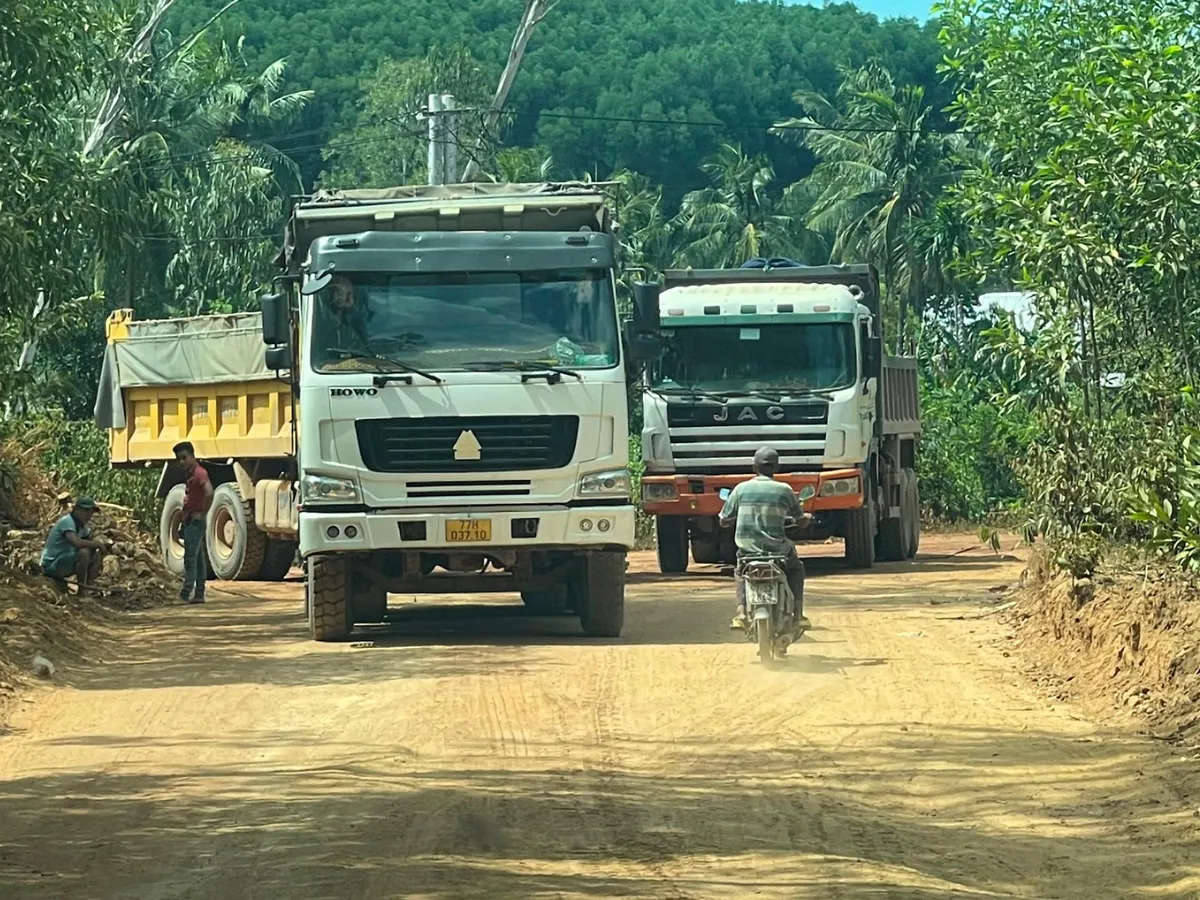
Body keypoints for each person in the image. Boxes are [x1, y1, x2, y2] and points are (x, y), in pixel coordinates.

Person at [719, 446, 812, 633]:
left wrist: (728, 521)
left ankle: (742, 614)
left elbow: (723, 519)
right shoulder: (785, 490)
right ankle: (798, 614)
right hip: (778, 551)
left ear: (754, 467)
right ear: (776, 468)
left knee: (739, 572)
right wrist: (806, 519)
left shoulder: (740, 489)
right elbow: (799, 519)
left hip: (747, 552)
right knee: (796, 568)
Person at [174, 441, 213, 604]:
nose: (182, 462)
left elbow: (209, 492)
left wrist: (202, 513)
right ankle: (199, 594)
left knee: (190, 558)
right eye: (179, 459)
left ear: (192, 456)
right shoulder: (191, 474)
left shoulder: (199, 473)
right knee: (198, 559)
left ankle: (185, 594)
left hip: (195, 521)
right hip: (190, 519)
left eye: (184, 458)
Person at [41, 497, 108, 588]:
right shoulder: (67, 522)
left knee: (94, 553)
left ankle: (89, 585)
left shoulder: (82, 527)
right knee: (83, 553)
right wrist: (98, 544)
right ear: (76, 510)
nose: (88, 515)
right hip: (51, 565)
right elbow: (76, 542)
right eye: (85, 511)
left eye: (90, 513)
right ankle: (82, 589)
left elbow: (87, 542)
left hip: (63, 560)